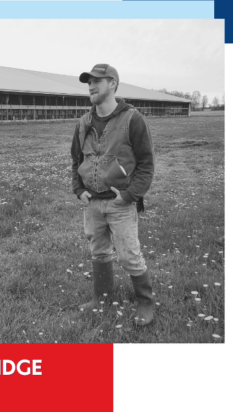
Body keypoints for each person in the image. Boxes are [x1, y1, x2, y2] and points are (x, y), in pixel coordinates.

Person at [70, 64, 156, 326]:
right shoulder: (83, 123)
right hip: (92, 204)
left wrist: (130, 195)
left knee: (129, 254)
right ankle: (102, 298)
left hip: (120, 203)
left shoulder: (133, 119)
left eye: (97, 81)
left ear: (113, 85)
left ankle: (145, 302)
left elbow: (146, 164)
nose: (91, 86)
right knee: (98, 251)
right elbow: (76, 161)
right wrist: (79, 189)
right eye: (89, 82)